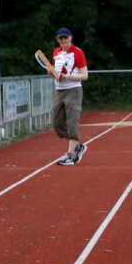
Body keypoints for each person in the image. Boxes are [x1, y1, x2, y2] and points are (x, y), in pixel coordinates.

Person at [52, 27, 89, 165]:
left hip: (73, 90)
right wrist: (52, 73)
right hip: (59, 91)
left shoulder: (77, 52)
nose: (63, 40)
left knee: (72, 120)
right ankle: (77, 146)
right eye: (60, 38)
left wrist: (69, 76)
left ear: (70, 38)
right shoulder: (56, 52)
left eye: (65, 38)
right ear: (57, 39)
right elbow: (56, 71)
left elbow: (85, 75)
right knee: (57, 123)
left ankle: (71, 154)